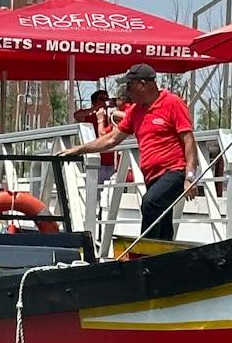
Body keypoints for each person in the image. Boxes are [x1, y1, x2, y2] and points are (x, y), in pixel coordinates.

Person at [59, 63, 199, 241]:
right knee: (162, 219)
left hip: (175, 171)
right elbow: (111, 139)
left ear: (142, 84)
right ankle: (165, 258)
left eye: (130, 86)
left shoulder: (172, 103)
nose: (127, 91)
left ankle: (143, 251)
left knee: (151, 203)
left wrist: (190, 176)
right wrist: (79, 149)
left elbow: (188, 139)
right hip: (152, 176)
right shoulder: (135, 111)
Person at [73, 88, 118, 181]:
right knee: (96, 191)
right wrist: (96, 108)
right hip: (96, 161)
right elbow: (77, 116)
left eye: (107, 99)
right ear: (94, 101)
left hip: (112, 162)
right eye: (102, 99)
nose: (105, 101)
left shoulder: (111, 117)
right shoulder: (91, 116)